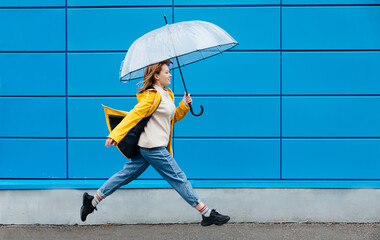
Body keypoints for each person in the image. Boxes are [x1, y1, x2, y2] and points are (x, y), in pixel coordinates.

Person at [80, 59, 230, 226]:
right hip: (153, 147)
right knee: (179, 178)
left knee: (124, 176)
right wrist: (115, 135)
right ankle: (206, 213)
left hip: (148, 147)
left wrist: (184, 105)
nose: (170, 74)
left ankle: (91, 202)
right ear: (157, 76)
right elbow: (134, 115)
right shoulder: (152, 96)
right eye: (166, 72)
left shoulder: (167, 94)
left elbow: (171, 118)